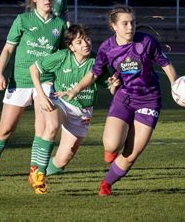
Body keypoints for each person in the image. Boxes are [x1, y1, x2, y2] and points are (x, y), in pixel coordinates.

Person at [65, 6, 178, 196]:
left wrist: (176, 87)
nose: (130, 27)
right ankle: (114, 145)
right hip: (123, 98)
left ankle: (106, 184)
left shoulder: (147, 42)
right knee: (110, 146)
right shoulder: (107, 48)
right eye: (124, 23)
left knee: (131, 154)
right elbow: (94, 74)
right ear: (114, 26)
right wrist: (76, 89)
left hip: (149, 100)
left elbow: (166, 65)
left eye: (132, 22)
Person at [0, 0, 67, 182]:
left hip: (46, 81)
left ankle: (35, 171)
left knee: (42, 128)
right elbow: (8, 48)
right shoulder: (23, 20)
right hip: (20, 80)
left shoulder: (60, 24)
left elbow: (62, 56)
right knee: (5, 129)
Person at [27, 24, 120, 194]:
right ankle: (38, 175)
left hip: (83, 112)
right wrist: (41, 95)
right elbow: (34, 68)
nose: (85, 44)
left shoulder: (96, 62)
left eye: (87, 40)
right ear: (70, 46)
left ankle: (43, 170)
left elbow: (110, 88)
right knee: (52, 126)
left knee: (63, 160)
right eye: (79, 42)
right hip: (61, 102)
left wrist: (114, 84)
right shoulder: (62, 56)